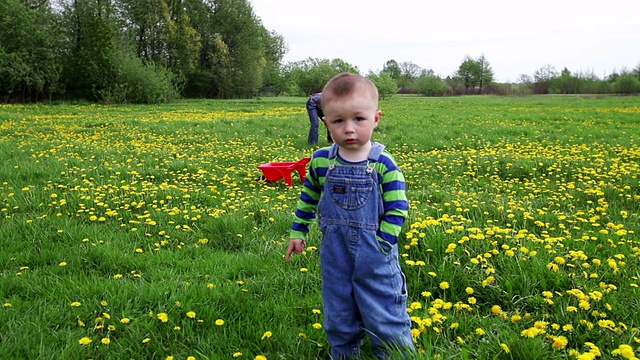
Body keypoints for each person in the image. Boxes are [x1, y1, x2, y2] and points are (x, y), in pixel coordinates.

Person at [286, 73, 414, 359]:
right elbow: (308, 198)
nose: (349, 129)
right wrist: (298, 232)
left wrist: (383, 244)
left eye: (359, 119)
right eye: (338, 121)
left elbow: (398, 207)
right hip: (335, 255)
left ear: (376, 118)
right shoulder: (321, 161)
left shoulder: (383, 163)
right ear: (325, 122)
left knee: (384, 313)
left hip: (375, 256)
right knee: (338, 311)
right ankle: (344, 354)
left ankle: (394, 354)